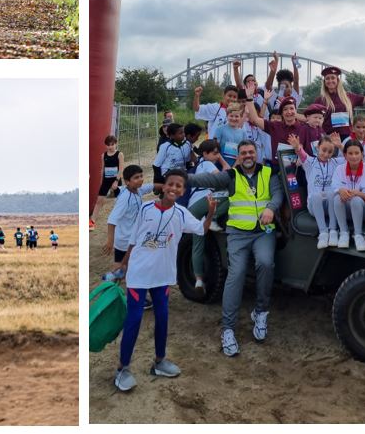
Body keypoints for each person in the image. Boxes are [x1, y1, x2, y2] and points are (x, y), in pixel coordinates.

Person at [112, 169, 213, 391]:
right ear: (163, 186)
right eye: (170, 184)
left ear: (183, 190)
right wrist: (123, 265)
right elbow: (133, 239)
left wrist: (211, 211)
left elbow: (201, 230)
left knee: (163, 317)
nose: (174, 188)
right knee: (134, 319)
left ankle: (159, 362)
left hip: (163, 276)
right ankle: (123, 368)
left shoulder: (182, 214)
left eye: (179, 186)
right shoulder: (146, 208)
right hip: (139, 275)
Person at [185, 140, 284, 357]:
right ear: (238, 156)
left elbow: (277, 194)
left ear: (256, 154)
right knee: (236, 274)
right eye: (243, 153)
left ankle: (260, 312)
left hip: (263, 231)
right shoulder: (231, 175)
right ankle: (228, 329)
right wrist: (183, 178)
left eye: (251, 152)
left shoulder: (269, 172)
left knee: (266, 263)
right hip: (238, 233)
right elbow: (208, 178)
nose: (247, 156)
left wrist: (270, 208)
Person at [188, 140, 230, 297]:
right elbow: (223, 178)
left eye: (218, 152)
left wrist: (220, 159)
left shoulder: (201, 164)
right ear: (205, 154)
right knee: (233, 196)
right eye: (214, 152)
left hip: (194, 207)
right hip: (204, 201)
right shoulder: (207, 164)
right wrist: (226, 162)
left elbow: (224, 170)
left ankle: (198, 280)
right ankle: (213, 218)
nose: (217, 155)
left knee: (197, 244)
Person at [289, 133, 344, 249]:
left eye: (330, 152)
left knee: (332, 194)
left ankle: (333, 231)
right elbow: (301, 154)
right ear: (318, 147)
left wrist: (340, 146)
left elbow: (348, 158)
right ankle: (323, 232)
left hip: (330, 206)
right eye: (324, 150)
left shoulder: (334, 163)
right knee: (316, 196)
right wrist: (297, 147)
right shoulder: (310, 162)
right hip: (315, 206)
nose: (326, 154)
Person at [314, 65, 365, 139]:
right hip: (328, 138)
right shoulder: (320, 100)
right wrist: (297, 115)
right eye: (327, 79)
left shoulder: (349, 97)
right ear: (324, 82)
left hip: (347, 137)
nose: (330, 81)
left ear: (338, 80)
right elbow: (309, 117)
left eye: (333, 78)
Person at [91, 136, 124, 228]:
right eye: (108, 145)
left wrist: (116, 181)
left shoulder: (119, 154)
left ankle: (120, 220)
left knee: (120, 201)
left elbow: (121, 169)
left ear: (116, 144)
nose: (110, 147)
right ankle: (92, 221)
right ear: (106, 146)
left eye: (112, 144)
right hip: (106, 180)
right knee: (99, 200)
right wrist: (102, 182)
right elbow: (103, 169)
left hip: (116, 180)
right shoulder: (103, 155)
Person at [213, 103, 249, 169]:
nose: (234, 118)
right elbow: (215, 149)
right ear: (227, 116)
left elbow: (243, 151)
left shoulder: (243, 132)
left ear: (240, 117)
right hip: (221, 165)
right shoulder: (220, 129)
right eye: (231, 116)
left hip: (237, 165)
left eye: (236, 116)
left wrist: (234, 166)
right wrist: (224, 164)